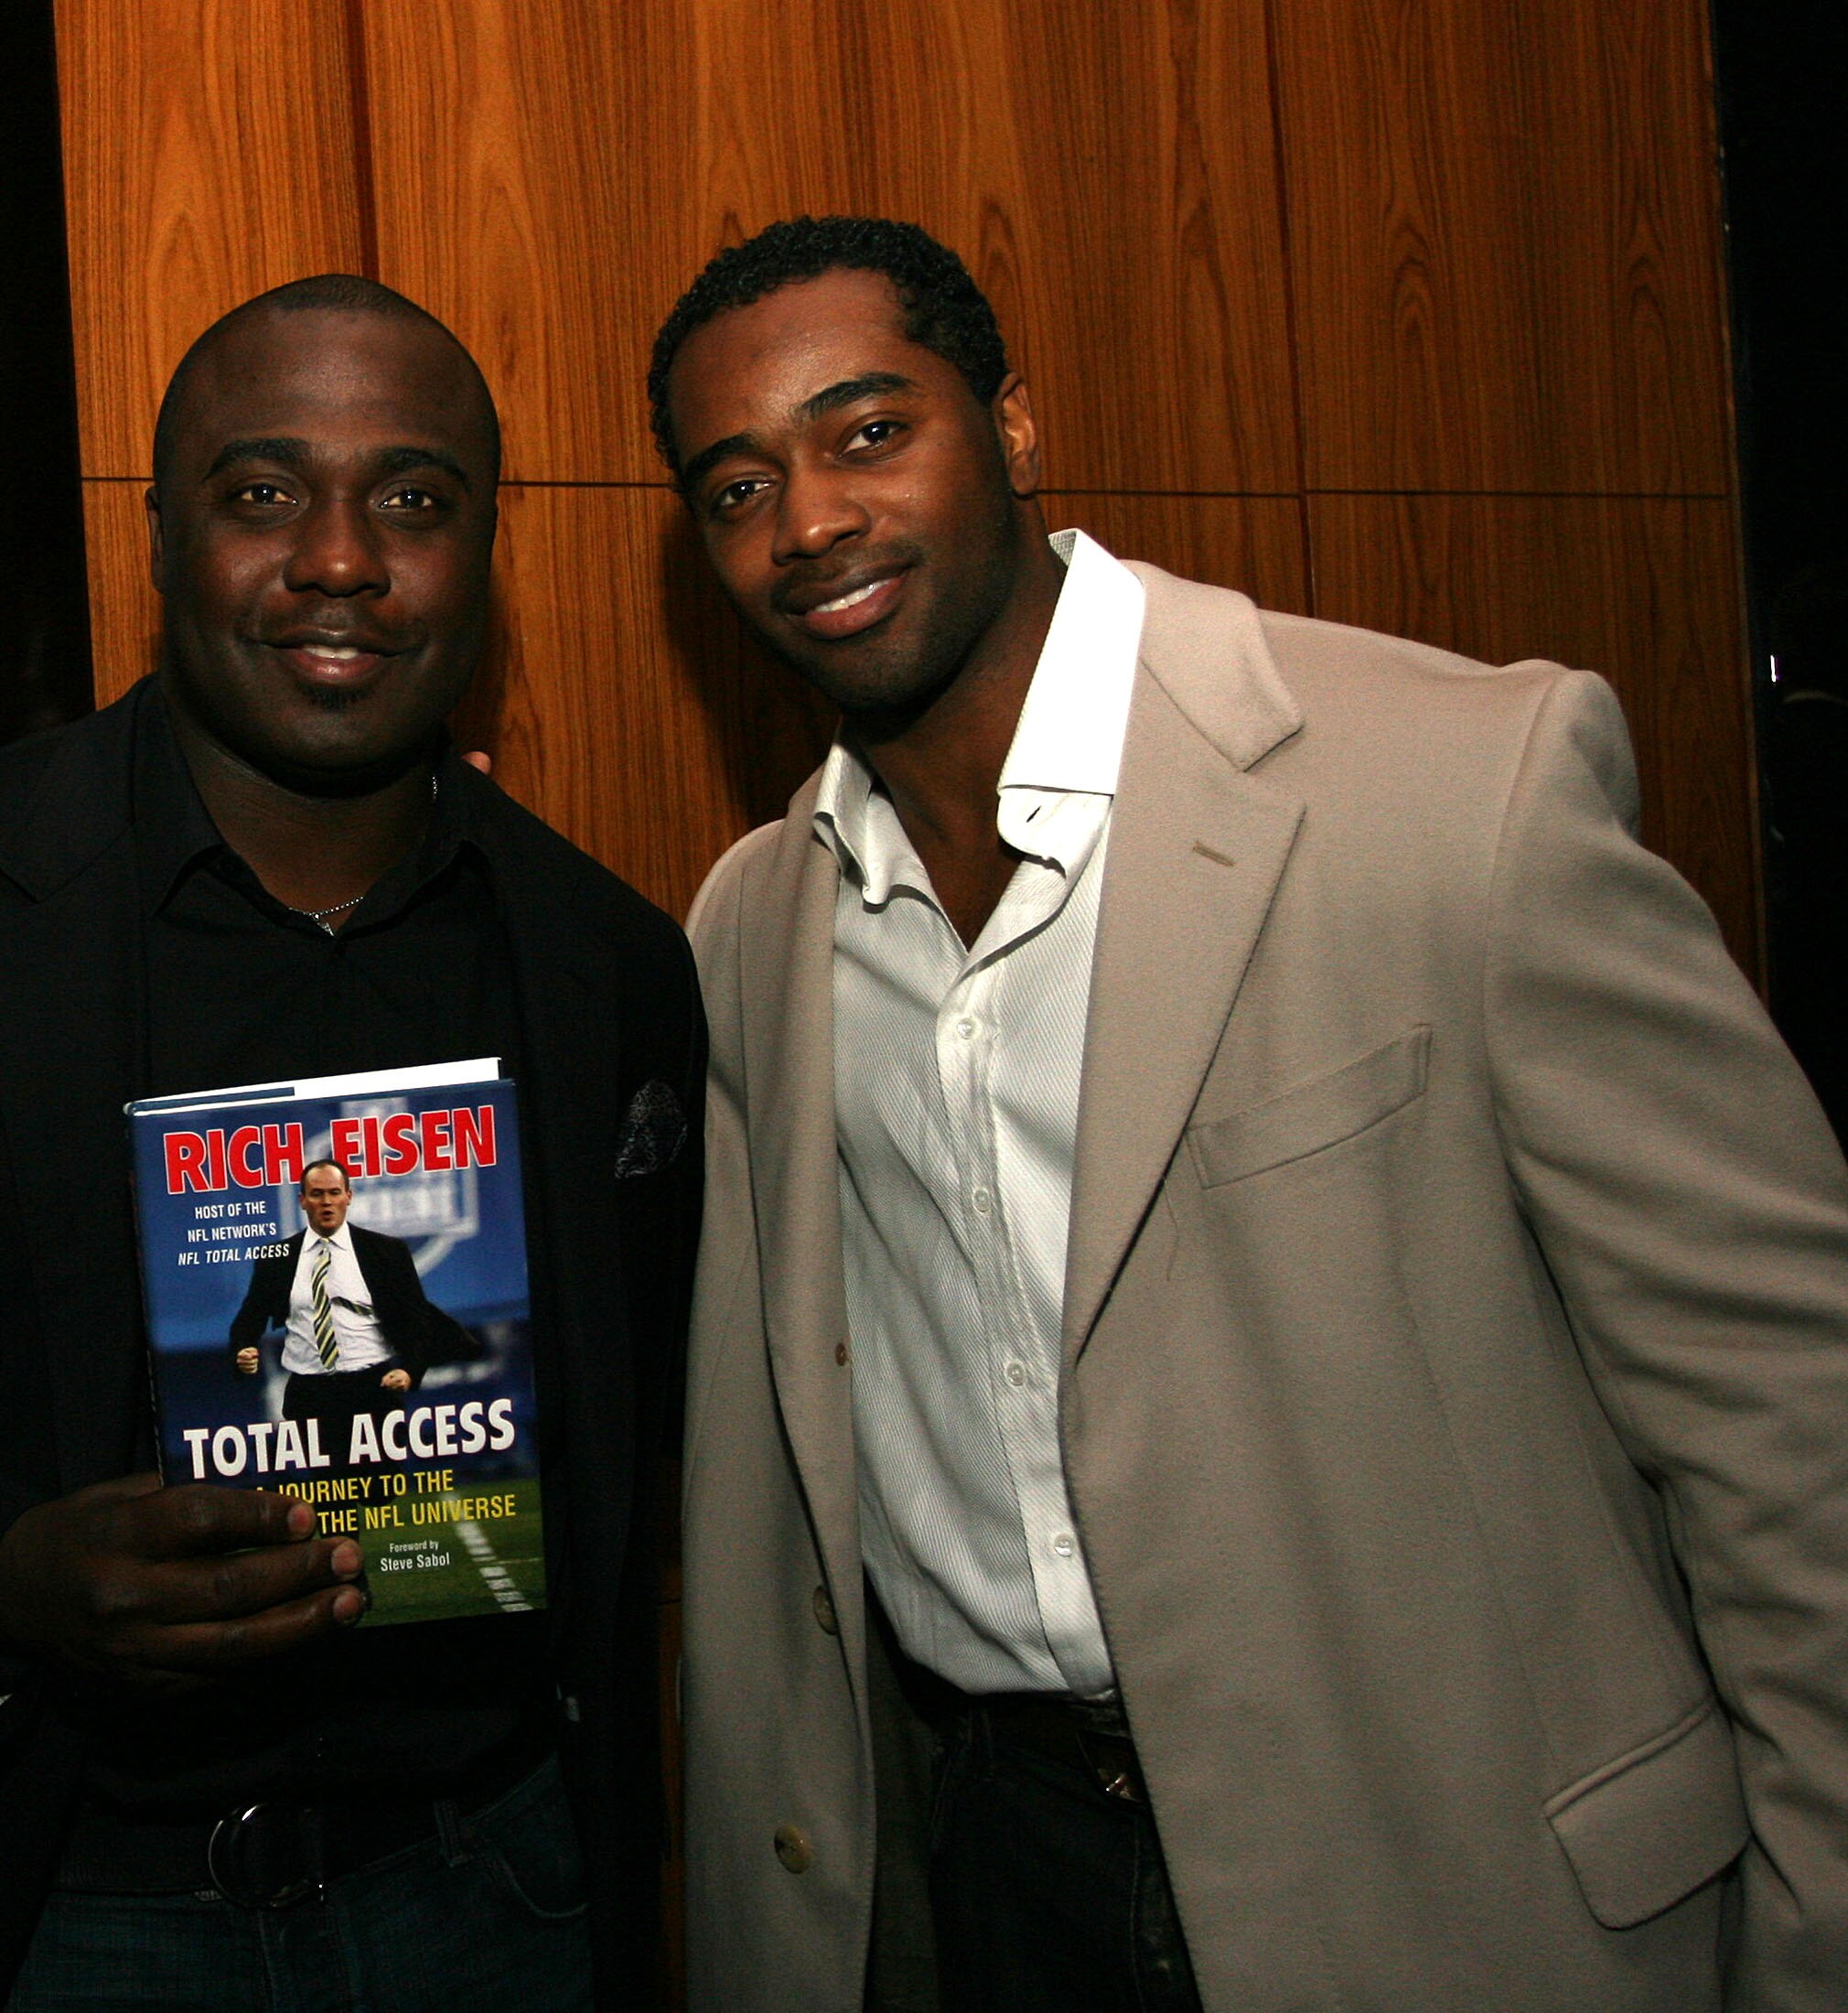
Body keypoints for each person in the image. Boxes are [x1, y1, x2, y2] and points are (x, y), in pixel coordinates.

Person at [658, 212, 1848, 2013]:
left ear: (1018, 428)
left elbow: (1797, 1445)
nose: (808, 517)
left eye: (869, 429)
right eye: (738, 482)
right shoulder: (756, 924)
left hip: (1456, 1890)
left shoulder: (1458, 794)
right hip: (1006, 1869)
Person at [0, 274, 704, 2012]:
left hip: (500, 1893)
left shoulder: (608, 964)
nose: (337, 557)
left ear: (485, 548)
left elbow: (659, 1449)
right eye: (261, 492)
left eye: (411, 497)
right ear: (159, 536)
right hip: (65, 1909)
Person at [230, 1158, 475, 1425]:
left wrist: (409, 1372)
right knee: (322, 1467)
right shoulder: (276, 1258)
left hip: (373, 1389)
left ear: (348, 1196)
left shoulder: (386, 1251)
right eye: (317, 1194)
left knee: (384, 1468)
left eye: (334, 1192)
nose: (326, 1201)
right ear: (302, 1200)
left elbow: (418, 1322)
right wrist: (244, 1350)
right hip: (308, 1395)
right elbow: (248, 1320)